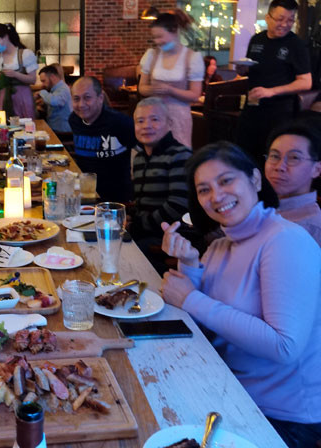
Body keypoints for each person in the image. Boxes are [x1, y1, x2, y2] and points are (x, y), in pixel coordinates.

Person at [160, 141, 321, 448]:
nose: (216, 196)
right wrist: (190, 264)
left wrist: (190, 298)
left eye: (226, 180)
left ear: (255, 179)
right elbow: (200, 324)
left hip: (280, 415)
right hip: (225, 390)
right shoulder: (220, 246)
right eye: (204, 189)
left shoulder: (286, 241)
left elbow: (284, 346)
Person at [235, 0, 311, 163]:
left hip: (279, 113)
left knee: (271, 157)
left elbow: (306, 82)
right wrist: (242, 69)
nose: (285, 24)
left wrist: (271, 91)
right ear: (268, 18)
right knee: (244, 155)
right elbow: (252, 69)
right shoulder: (257, 39)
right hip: (252, 108)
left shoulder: (296, 45)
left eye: (290, 20)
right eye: (280, 19)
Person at [130, 98, 191, 257]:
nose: (146, 126)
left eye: (154, 119)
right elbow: (141, 202)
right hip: (143, 232)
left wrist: (138, 225)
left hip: (171, 239)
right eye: (140, 121)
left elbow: (178, 205)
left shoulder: (180, 155)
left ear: (169, 123)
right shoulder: (139, 158)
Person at [138, 10, 204, 148]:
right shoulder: (152, 55)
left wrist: (170, 90)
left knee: (178, 153)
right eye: (155, 37)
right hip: (154, 116)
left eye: (160, 36)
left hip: (179, 117)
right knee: (155, 152)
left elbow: (194, 95)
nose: (157, 41)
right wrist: (153, 90)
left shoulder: (192, 57)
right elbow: (142, 88)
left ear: (175, 32)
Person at [68, 76, 136, 202]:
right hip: (85, 193)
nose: (81, 104)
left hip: (116, 197)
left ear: (100, 98)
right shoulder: (74, 120)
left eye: (87, 97)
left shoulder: (120, 122)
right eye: (76, 99)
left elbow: (144, 151)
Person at [264, 120, 321, 245]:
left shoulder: (308, 228)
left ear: (317, 169)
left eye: (294, 158)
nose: (279, 167)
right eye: (274, 156)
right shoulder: (257, 202)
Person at [0, 23, 39, 119]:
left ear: (5, 37)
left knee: (24, 125)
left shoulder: (25, 54)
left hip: (22, 99)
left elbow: (33, 79)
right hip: (2, 99)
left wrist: (16, 74)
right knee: (4, 125)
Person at [35, 65, 72, 133]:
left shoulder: (63, 89)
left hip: (62, 132)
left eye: (44, 81)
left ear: (52, 77)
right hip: (55, 128)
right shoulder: (55, 90)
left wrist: (41, 92)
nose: (43, 84)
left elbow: (55, 101)